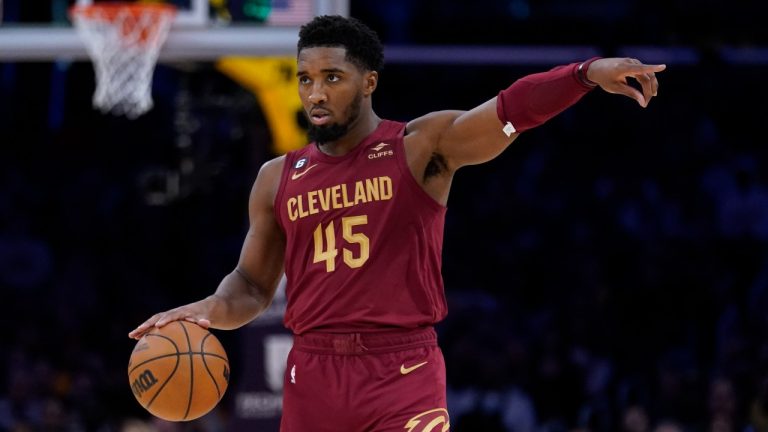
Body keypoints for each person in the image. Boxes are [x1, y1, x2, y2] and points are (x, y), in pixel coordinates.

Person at [129, 14, 665, 431]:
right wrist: (208, 310)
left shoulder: (418, 146)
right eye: (306, 79)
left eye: (332, 78)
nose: (315, 93)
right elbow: (250, 285)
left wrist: (584, 74)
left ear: (369, 82)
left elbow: (508, 111)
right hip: (312, 370)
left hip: (400, 368)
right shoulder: (277, 177)